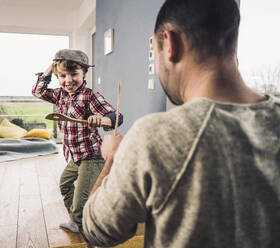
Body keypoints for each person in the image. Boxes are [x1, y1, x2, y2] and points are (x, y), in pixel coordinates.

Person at [81, 0, 280, 247]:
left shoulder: (153, 136)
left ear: (170, 44)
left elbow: (96, 231)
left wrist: (111, 158)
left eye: (154, 50)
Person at [32, 49, 123, 234]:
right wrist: (52, 68)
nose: (68, 80)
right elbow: (38, 91)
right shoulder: (59, 95)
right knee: (65, 185)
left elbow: (116, 117)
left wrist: (102, 119)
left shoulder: (90, 96)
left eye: (74, 74)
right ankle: (79, 217)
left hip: (92, 156)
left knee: (82, 197)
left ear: (84, 74)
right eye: (63, 76)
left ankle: (83, 226)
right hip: (75, 156)